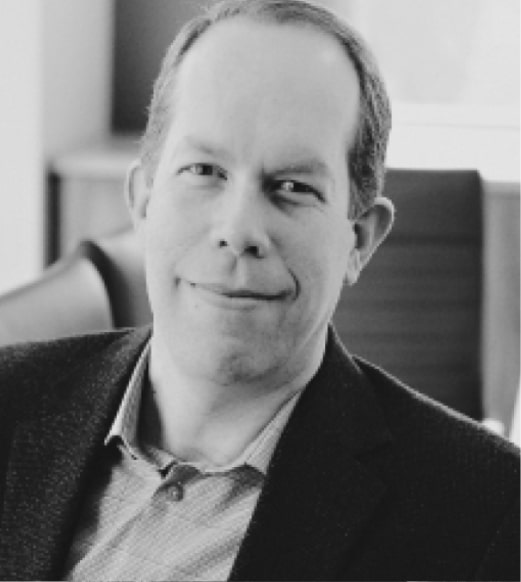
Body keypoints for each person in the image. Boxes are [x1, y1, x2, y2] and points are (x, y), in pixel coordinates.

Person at [0, 0, 518, 580]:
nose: (239, 231)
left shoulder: (492, 516)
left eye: (293, 186)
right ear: (144, 200)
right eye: (205, 171)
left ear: (360, 240)